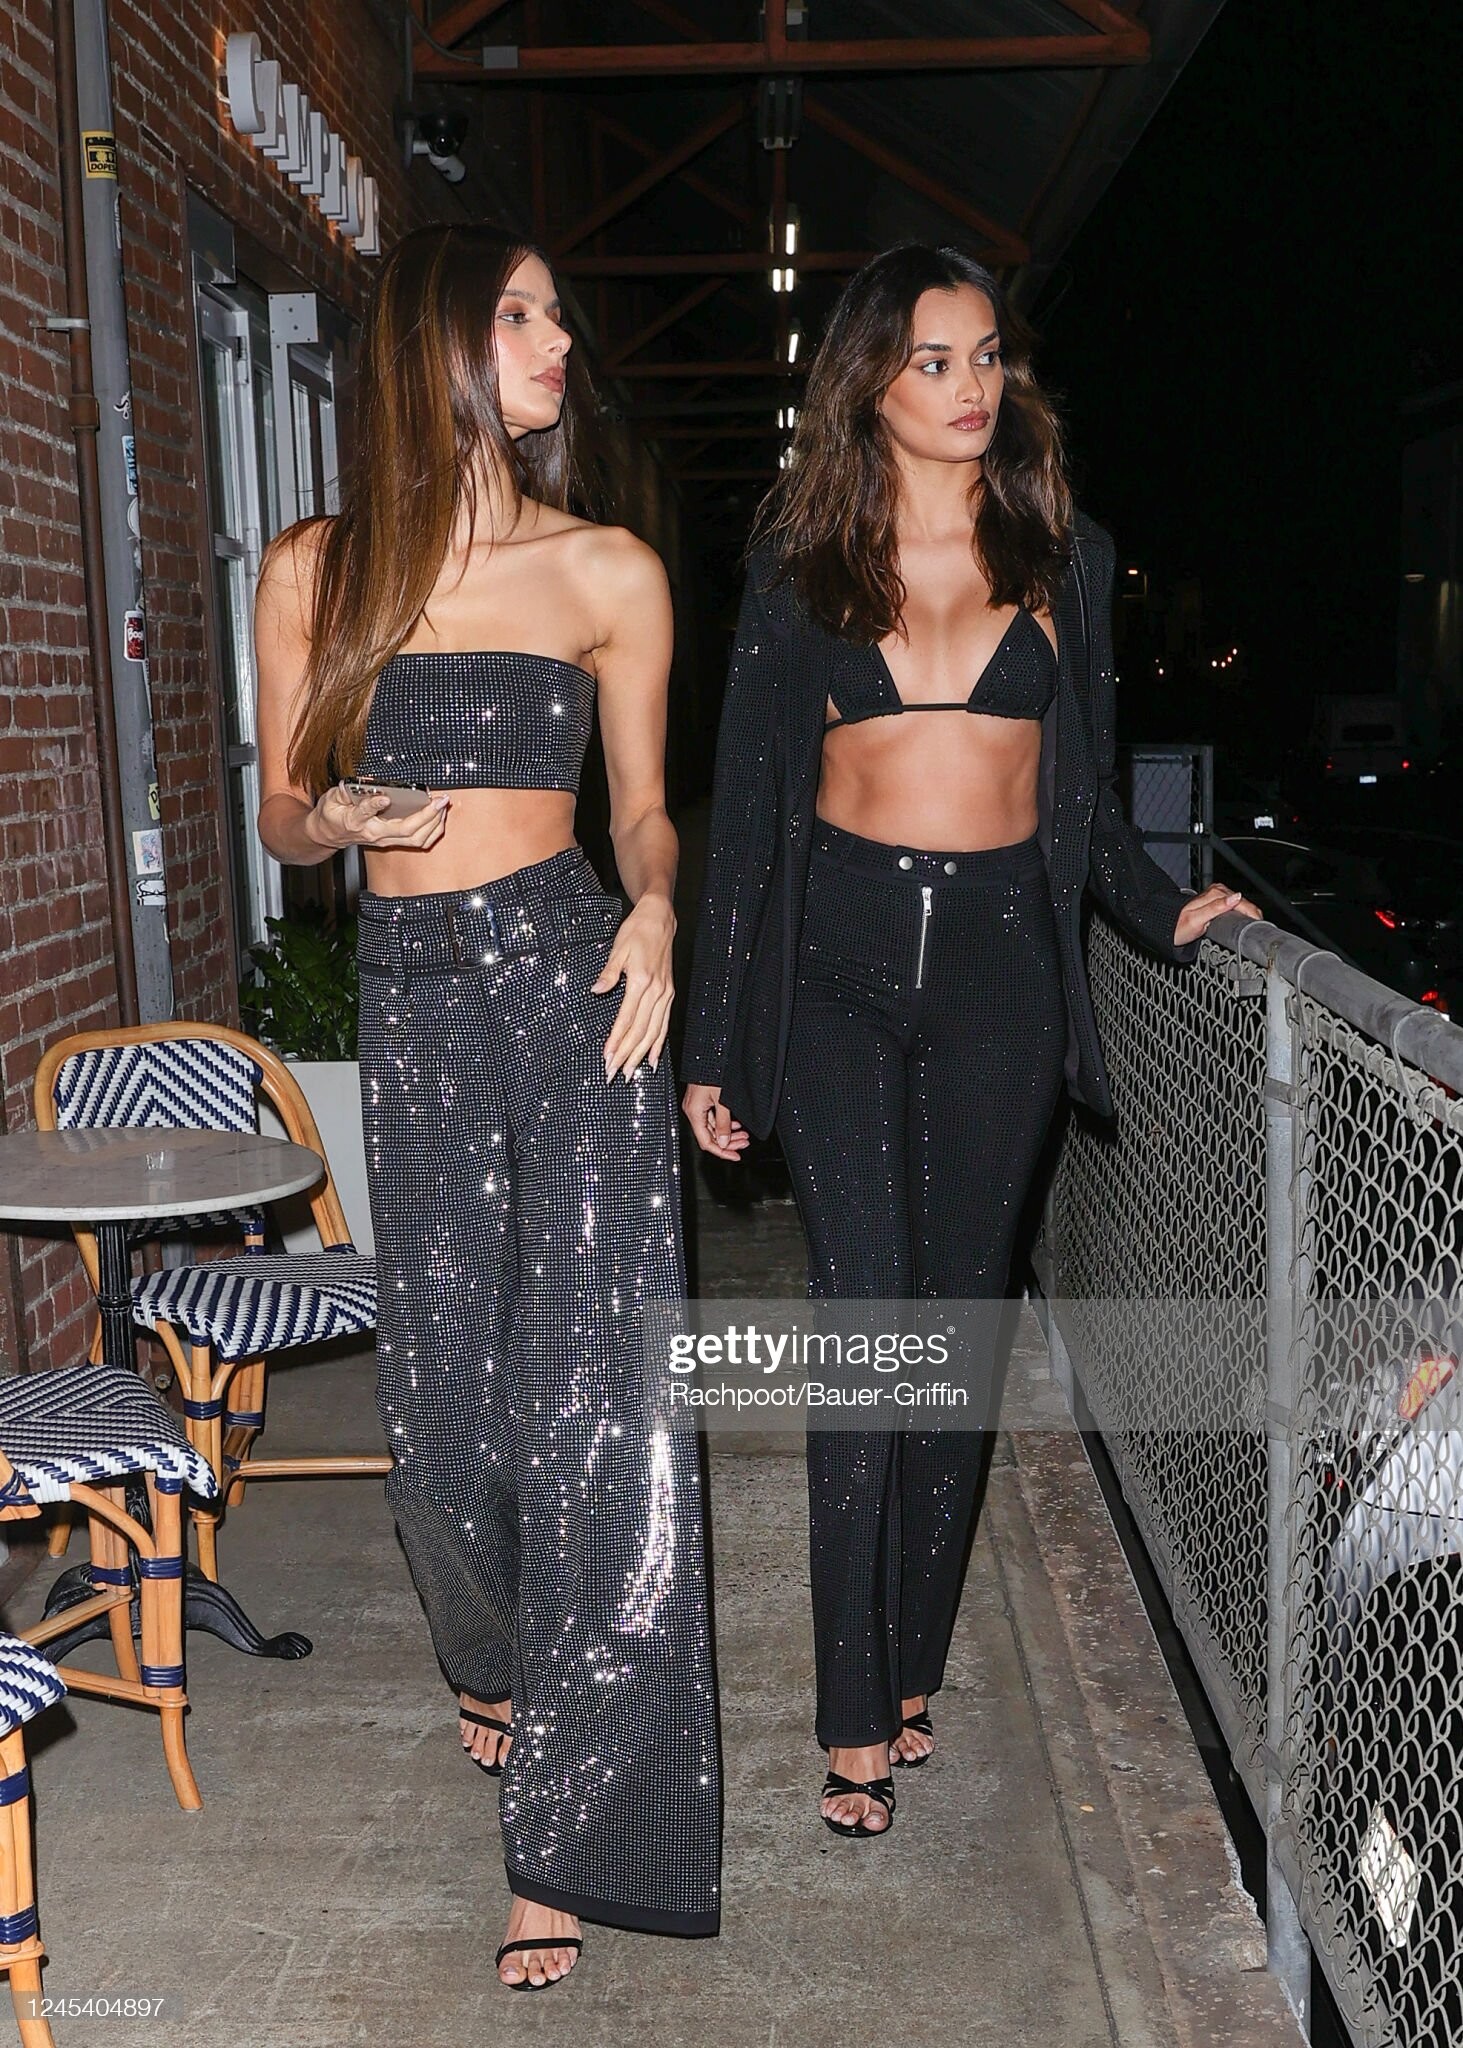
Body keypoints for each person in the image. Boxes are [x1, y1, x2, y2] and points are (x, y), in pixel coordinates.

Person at [680, 243, 1258, 1839]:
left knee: (955, 1338)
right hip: (841, 967)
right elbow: (751, 827)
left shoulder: (1067, 553)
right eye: (935, 360)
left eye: (988, 355)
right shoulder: (799, 563)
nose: (971, 385)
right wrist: (718, 1045)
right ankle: (849, 1717)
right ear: (871, 379)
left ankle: (913, 1660)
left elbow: (1089, 799)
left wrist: (1171, 913)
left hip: (1005, 970)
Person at [255, 224, 720, 1985]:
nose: (555, 342)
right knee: (444, 1413)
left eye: (555, 316)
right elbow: (280, 808)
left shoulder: (606, 567)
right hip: (416, 994)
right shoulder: (318, 569)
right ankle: (498, 1659)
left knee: (594, 1402)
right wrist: (334, 819)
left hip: (573, 976)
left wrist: (656, 907)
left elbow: (645, 810)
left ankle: (565, 1841)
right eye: (518, 315)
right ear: (436, 344)